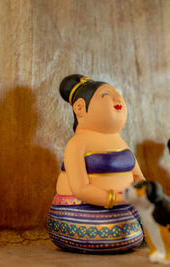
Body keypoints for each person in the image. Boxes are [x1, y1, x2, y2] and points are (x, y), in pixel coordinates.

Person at [47, 74, 145, 253]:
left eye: (119, 95)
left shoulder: (120, 140)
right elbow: (80, 189)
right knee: (125, 234)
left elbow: (138, 175)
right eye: (106, 96)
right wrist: (117, 198)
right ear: (80, 108)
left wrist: (142, 191)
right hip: (82, 208)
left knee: (158, 223)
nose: (117, 100)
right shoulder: (77, 144)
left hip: (125, 204)